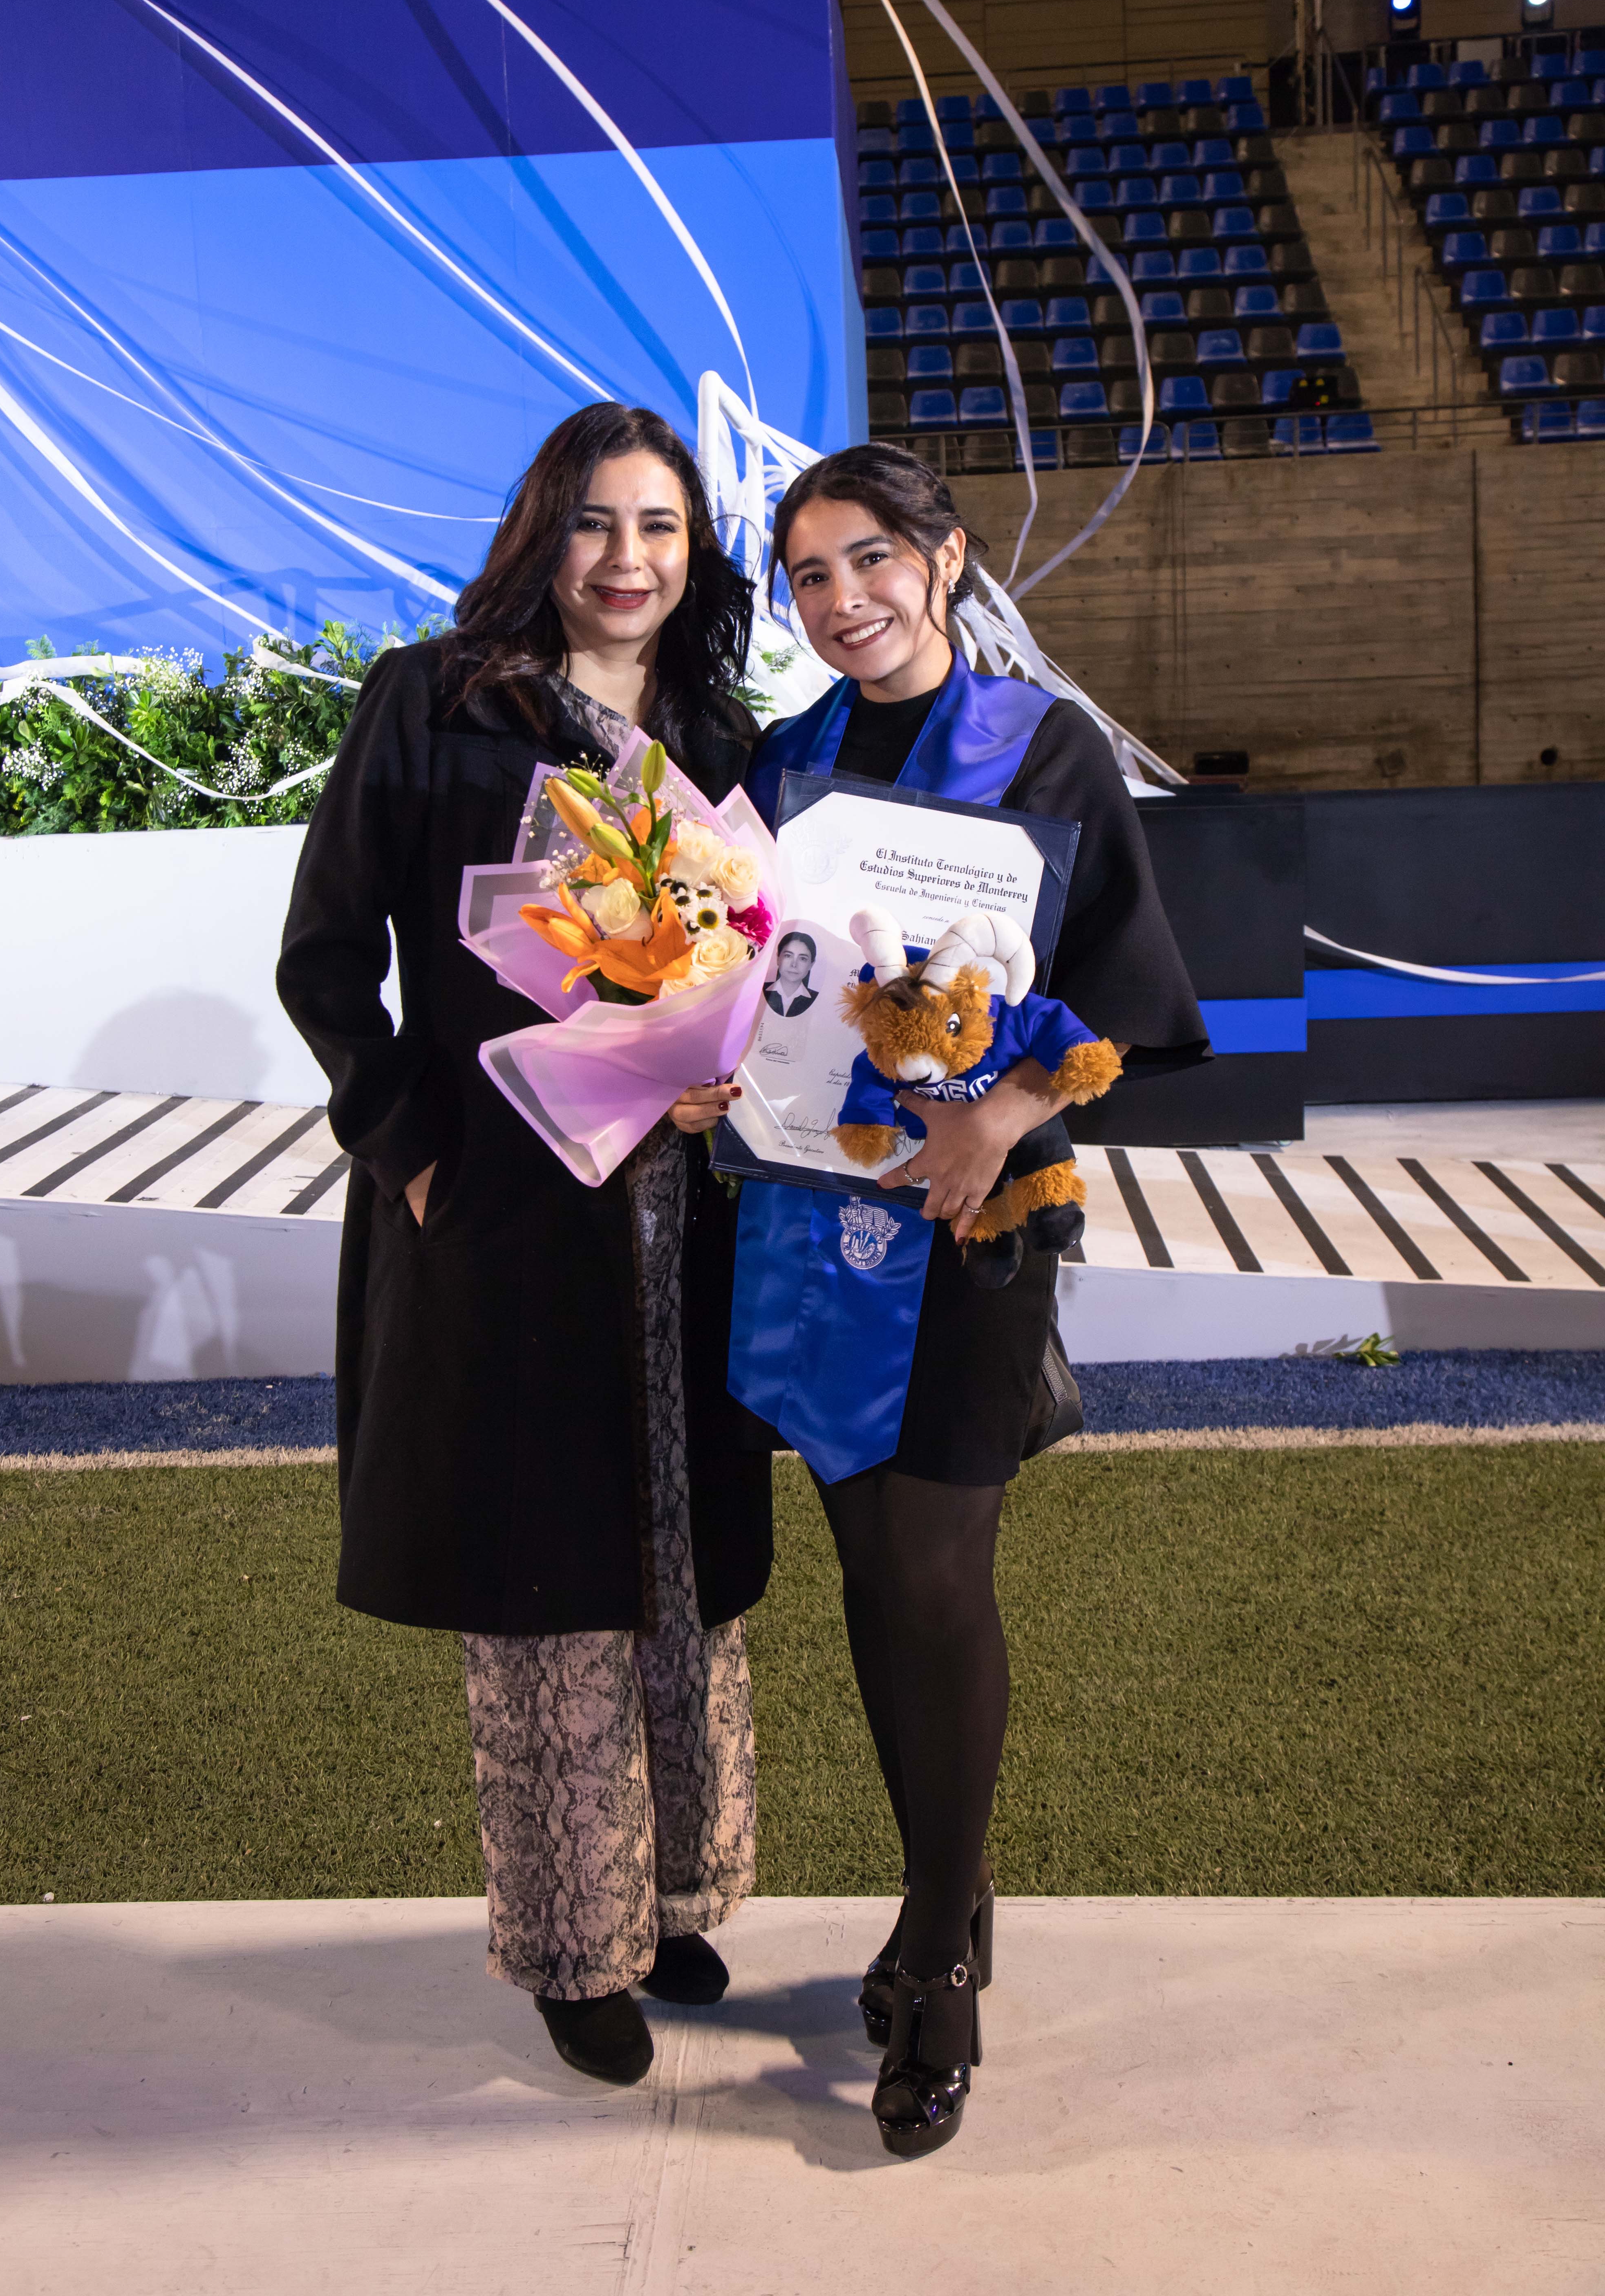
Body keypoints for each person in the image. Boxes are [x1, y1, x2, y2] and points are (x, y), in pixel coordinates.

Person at [277, 404, 770, 2089]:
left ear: (694, 553)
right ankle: (574, 1942)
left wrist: (738, 1085)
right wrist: (415, 1152)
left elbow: (753, 970)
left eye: (660, 527)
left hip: (680, 1220)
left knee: (679, 1571)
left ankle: (675, 1895)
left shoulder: (718, 731)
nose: (628, 560)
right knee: (544, 1587)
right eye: (594, 524)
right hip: (508, 1214)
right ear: (539, 536)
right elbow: (326, 958)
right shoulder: (435, 703)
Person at [732, 443, 1207, 2159]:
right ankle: (955, 1892)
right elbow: (753, 988)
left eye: (871, 558)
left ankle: (937, 1965)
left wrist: (996, 1118)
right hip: (811, 1229)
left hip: (977, 1229)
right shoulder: (780, 764)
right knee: (875, 1578)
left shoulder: (1042, 743)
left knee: (936, 1575)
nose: (842, 598)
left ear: (941, 556)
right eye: (809, 574)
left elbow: (1125, 988)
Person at [763, 930, 819, 1017]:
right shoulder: (760, 990)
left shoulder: (818, 999)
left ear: (812, 964)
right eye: (788, 956)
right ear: (778, 958)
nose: (794, 965)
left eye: (803, 959)